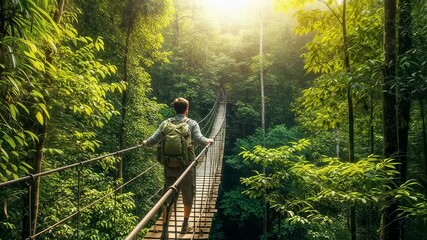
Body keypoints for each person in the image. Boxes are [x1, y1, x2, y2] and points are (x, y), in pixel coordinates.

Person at [142, 97, 214, 240]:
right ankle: (185, 224)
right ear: (187, 109)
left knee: (168, 196)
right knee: (188, 194)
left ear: (174, 109)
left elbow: (152, 141)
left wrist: (144, 143)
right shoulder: (191, 123)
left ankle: (164, 230)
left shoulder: (165, 124)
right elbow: (200, 139)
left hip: (169, 166)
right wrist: (209, 141)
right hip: (186, 167)